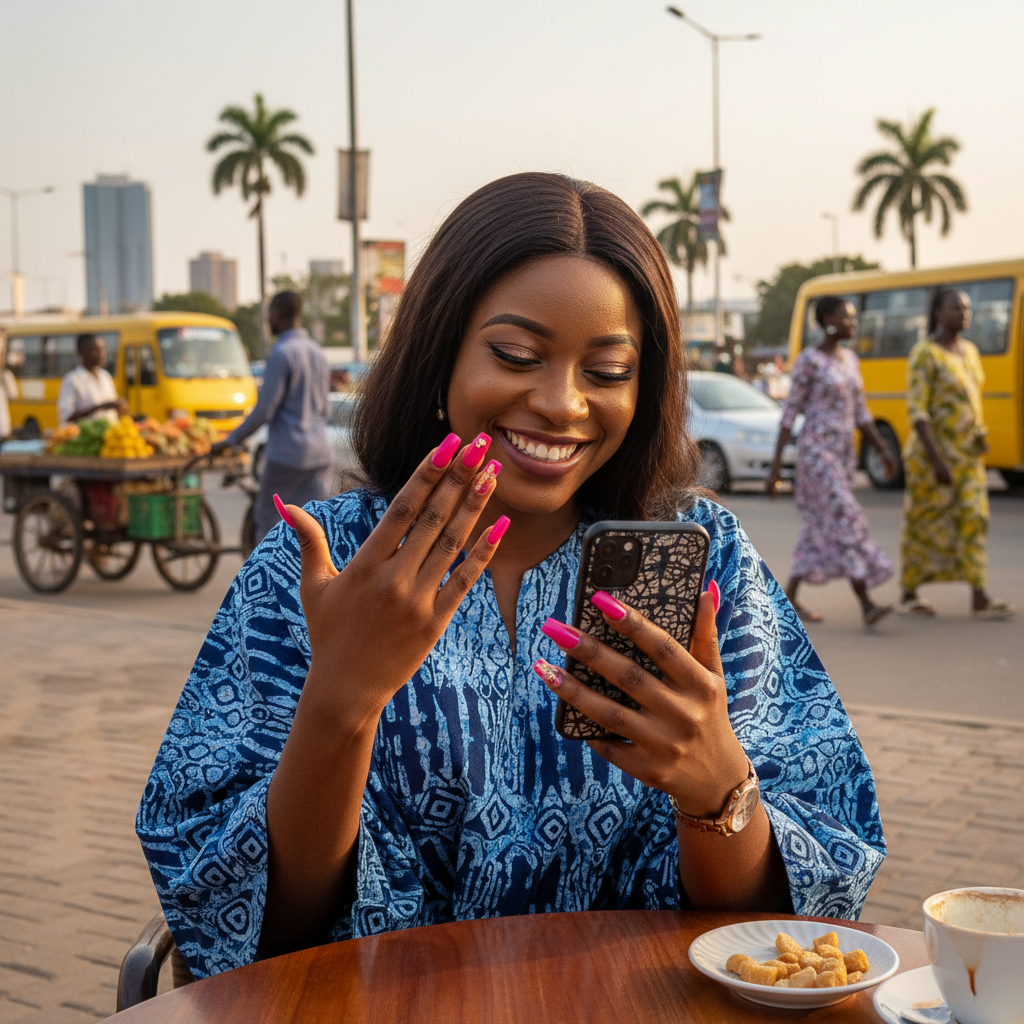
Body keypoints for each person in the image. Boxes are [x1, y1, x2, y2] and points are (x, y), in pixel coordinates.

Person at [137, 174, 885, 980]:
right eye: (516, 355)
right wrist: (339, 705)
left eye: (606, 371)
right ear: (439, 357)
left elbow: (784, 932)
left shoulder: (708, 561)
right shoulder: (321, 562)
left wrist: (718, 792)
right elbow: (253, 935)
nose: (562, 403)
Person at [766, 297, 896, 627]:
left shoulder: (850, 359)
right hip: (817, 456)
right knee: (845, 518)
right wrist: (776, 468)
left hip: (843, 457)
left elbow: (862, 413)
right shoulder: (809, 361)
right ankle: (866, 601)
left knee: (816, 530)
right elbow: (789, 414)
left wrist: (882, 450)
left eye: (854, 318)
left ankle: (789, 598)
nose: (853, 323)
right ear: (827, 320)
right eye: (846, 317)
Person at [899, 289, 1014, 619]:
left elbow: (971, 402)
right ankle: (909, 592)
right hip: (933, 458)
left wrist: (980, 435)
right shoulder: (925, 354)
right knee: (923, 523)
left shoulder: (971, 352)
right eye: (956, 308)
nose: (964, 313)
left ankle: (979, 595)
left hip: (968, 457)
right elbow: (918, 412)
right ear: (938, 313)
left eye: (967, 308)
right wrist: (937, 461)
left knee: (974, 519)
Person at [213, 291, 332, 544]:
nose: (268, 321)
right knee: (313, 528)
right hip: (320, 454)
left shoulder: (282, 353)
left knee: (268, 523)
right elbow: (325, 409)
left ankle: (266, 582)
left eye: (269, 315)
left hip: (288, 456)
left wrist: (232, 439)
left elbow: (264, 411)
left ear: (278, 315)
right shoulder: (318, 352)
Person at [56, 333, 126, 424]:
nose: (102, 354)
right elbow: (66, 418)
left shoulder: (106, 377)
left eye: (103, 349)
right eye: (96, 350)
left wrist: (119, 407)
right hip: (86, 436)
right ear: (82, 352)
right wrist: (99, 407)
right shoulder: (72, 380)